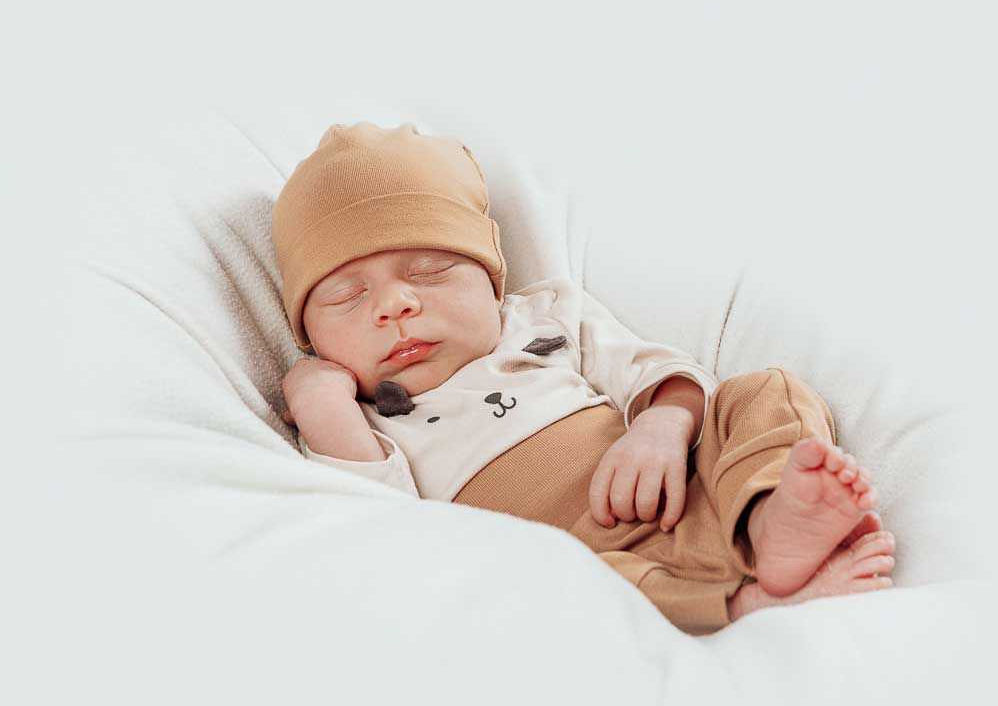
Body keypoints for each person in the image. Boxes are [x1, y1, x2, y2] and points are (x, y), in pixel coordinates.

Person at [271, 121, 896, 635]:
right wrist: (322, 404)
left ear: (491, 281)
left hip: (688, 483)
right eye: (347, 297)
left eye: (430, 270)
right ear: (312, 339)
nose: (395, 304)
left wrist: (661, 425)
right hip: (590, 558)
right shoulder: (359, 422)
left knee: (767, 389)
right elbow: (383, 527)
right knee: (554, 590)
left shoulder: (543, 315)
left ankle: (767, 517)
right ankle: (747, 603)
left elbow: (655, 368)